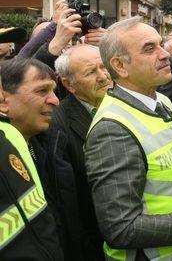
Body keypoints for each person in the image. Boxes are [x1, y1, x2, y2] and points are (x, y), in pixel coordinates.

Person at [85, 17, 172, 260]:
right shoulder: (112, 131)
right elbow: (121, 229)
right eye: (150, 49)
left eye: (161, 45)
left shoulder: (161, 101)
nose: (165, 55)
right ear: (120, 66)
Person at [0, 41, 63, 260]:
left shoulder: (49, 142)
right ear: (3, 101)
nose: (55, 100)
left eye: (54, 91)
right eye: (42, 91)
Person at [52, 44, 112, 259]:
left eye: (104, 67)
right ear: (69, 84)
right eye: (91, 72)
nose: (103, 76)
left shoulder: (123, 104)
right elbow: (69, 202)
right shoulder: (58, 124)